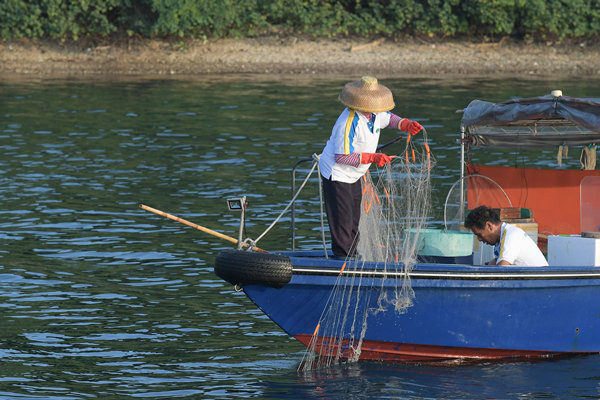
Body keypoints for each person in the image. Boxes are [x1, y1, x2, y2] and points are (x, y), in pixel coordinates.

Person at [318, 76, 423, 258]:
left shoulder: (373, 114)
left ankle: (353, 253)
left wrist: (405, 124)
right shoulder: (348, 123)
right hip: (338, 174)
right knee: (342, 219)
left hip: (355, 174)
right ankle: (343, 258)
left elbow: (388, 118)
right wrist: (373, 158)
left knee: (354, 218)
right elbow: (342, 157)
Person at [464, 205, 549, 267]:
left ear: (489, 226)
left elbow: (501, 269)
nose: (479, 239)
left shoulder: (511, 236)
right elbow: (494, 264)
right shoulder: (501, 238)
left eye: (479, 235)